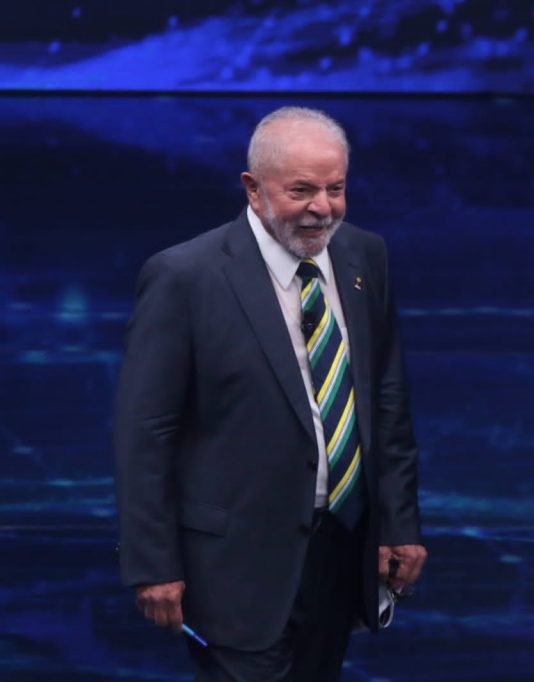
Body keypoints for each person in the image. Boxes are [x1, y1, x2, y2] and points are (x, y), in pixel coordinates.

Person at [114, 106, 427, 681]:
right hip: (234, 563)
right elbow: (146, 432)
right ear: (253, 189)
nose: (322, 207)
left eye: (335, 189)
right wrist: (151, 562)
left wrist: (398, 523)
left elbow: (386, 400)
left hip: (341, 550)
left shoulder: (365, 256)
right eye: (302, 190)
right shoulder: (186, 276)